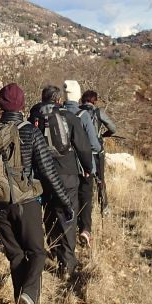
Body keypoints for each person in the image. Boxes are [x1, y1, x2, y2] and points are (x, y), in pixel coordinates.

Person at [0, 83, 74, 304]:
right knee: (37, 252)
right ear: (22, 105)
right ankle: (29, 297)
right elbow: (48, 172)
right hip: (26, 202)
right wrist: (65, 202)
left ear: (0, 104)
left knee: (16, 256)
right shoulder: (30, 132)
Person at [29, 85, 93, 279]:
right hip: (67, 174)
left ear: (43, 99)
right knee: (67, 215)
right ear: (58, 100)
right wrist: (88, 168)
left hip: (42, 175)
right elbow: (83, 147)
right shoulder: (69, 117)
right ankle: (67, 263)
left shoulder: (34, 117)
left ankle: (55, 250)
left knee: (49, 213)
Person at [62, 80, 101, 247]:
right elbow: (94, 145)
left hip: (63, 166)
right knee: (85, 198)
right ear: (78, 95)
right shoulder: (83, 115)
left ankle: (67, 232)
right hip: (84, 166)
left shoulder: (58, 113)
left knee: (68, 200)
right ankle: (85, 230)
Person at [79, 90, 118, 216]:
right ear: (94, 100)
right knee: (100, 180)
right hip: (97, 151)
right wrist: (105, 135)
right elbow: (113, 128)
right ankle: (104, 208)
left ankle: (83, 208)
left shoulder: (77, 111)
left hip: (80, 151)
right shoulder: (98, 112)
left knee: (83, 180)